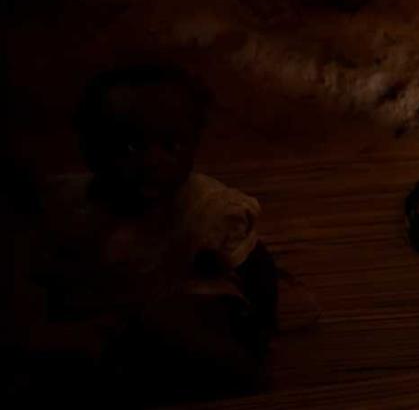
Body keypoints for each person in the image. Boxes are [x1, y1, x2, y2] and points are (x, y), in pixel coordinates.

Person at [7, 64, 278, 404]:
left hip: (185, 305)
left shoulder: (207, 210)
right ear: (90, 148)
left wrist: (262, 330)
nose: (153, 161)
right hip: (107, 311)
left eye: (170, 146)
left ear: (194, 144)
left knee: (177, 325)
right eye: (131, 147)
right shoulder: (70, 204)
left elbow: (256, 267)